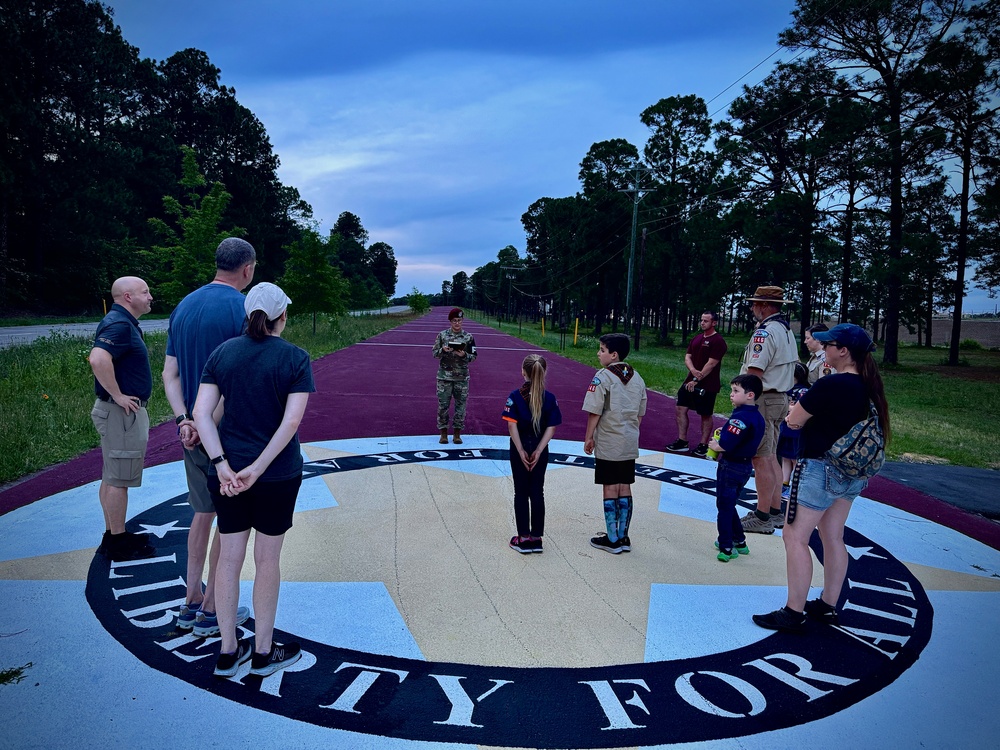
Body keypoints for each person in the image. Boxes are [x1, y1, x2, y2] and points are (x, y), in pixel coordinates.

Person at [193, 282, 315, 678]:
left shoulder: (222, 354)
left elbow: (201, 414)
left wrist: (222, 464)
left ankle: (228, 651)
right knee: (267, 559)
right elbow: (291, 422)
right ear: (283, 317)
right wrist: (259, 469)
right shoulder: (295, 358)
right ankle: (263, 651)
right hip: (277, 474)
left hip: (227, 477)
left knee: (229, 559)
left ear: (248, 315)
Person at [752, 323, 890, 633]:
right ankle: (827, 606)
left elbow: (794, 421)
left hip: (819, 469)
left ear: (843, 351)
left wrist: (795, 413)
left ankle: (793, 611)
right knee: (833, 536)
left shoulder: (830, 385)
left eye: (828, 345)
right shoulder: (870, 386)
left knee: (795, 536)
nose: (823, 349)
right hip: (851, 472)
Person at [162, 237, 256, 635]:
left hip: (190, 432)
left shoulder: (184, 306)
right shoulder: (244, 309)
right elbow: (232, 379)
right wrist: (206, 425)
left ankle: (190, 599)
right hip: (224, 434)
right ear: (248, 269)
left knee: (201, 512)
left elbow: (171, 374)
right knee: (230, 520)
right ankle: (215, 609)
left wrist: (185, 420)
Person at [89, 276, 155, 562]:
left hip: (118, 413)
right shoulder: (119, 324)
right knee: (119, 479)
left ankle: (112, 534)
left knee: (111, 475)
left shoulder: (123, 322)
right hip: (122, 413)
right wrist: (117, 395)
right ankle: (118, 541)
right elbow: (98, 359)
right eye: (145, 291)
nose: (150, 296)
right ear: (128, 297)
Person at [739, 286, 798, 535]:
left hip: (763, 398)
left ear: (763, 306)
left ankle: (762, 515)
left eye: (754, 304)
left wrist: (743, 398)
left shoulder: (764, 333)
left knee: (760, 458)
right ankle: (773, 511)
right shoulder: (785, 330)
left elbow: (755, 372)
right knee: (771, 455)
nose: (752, 308)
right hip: (780, 397)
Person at [583, 333, 647, 554]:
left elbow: (595, 411)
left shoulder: (603, 377)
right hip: (629, 440)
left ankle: (612, 539)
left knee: (610, 485)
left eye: (601, 350)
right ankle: (624, 536)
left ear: (614, 354)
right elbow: (640, 413)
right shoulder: (637, 377)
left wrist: (589, 437)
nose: (598, 354)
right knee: (625, 485)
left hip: (610, 440)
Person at [502, 354, 562, 553]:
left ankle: (523, 537)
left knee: (521, 492)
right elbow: (551, 427)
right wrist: (538, 450)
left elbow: (512, 426)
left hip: (520, 447)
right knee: (537, 491)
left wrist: (520, 450)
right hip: (540, 449)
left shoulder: (515, 396)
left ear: (523, 372)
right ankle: (537, 538)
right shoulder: (550, 398)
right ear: (544, 372)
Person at [708, 374, 765, 563]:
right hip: (745, 466)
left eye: (735, 391)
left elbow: (728, 442)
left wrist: (716, 445)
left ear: (750, 395)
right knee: (729, 503)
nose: (731, 394)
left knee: (723, 506)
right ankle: (740, 540)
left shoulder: (739, 418)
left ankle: (726, 545)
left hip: (730, 465)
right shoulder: (757, 416)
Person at [665, 310, 728, 457]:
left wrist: (697, 379)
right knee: (680, 408)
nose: (702, 323)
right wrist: (693, 371)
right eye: (701, 320)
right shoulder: (696, 338)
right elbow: (688, 357)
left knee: (705, 414)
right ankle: (682, 441)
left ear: (714, 323)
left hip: (708, 384)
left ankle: (703, 445)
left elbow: (711, 363)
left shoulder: (718, 341)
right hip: (690, 380)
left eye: (706, 321)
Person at [433, 308, 478, 444]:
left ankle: (457, 433)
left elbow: (474, 356)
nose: (457, 323)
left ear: (462, 321)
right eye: (454, 321)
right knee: (443, 406)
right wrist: (443, 350)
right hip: (444, 377)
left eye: (459, 320)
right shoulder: (442, 335)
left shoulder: (469, 337)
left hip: (462, 378)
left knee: (461, 406)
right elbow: (434, 353)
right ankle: (443, 433)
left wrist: (464, 355)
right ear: (450, 322)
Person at [777, 362, 810, 501]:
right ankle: (784, 484)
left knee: (795, 459)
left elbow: (799, 408)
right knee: (785, 457)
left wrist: (790, 408)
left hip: (797, 430)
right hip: (786, 428)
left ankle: (794, 486)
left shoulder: (803, 391)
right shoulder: (788, 389)